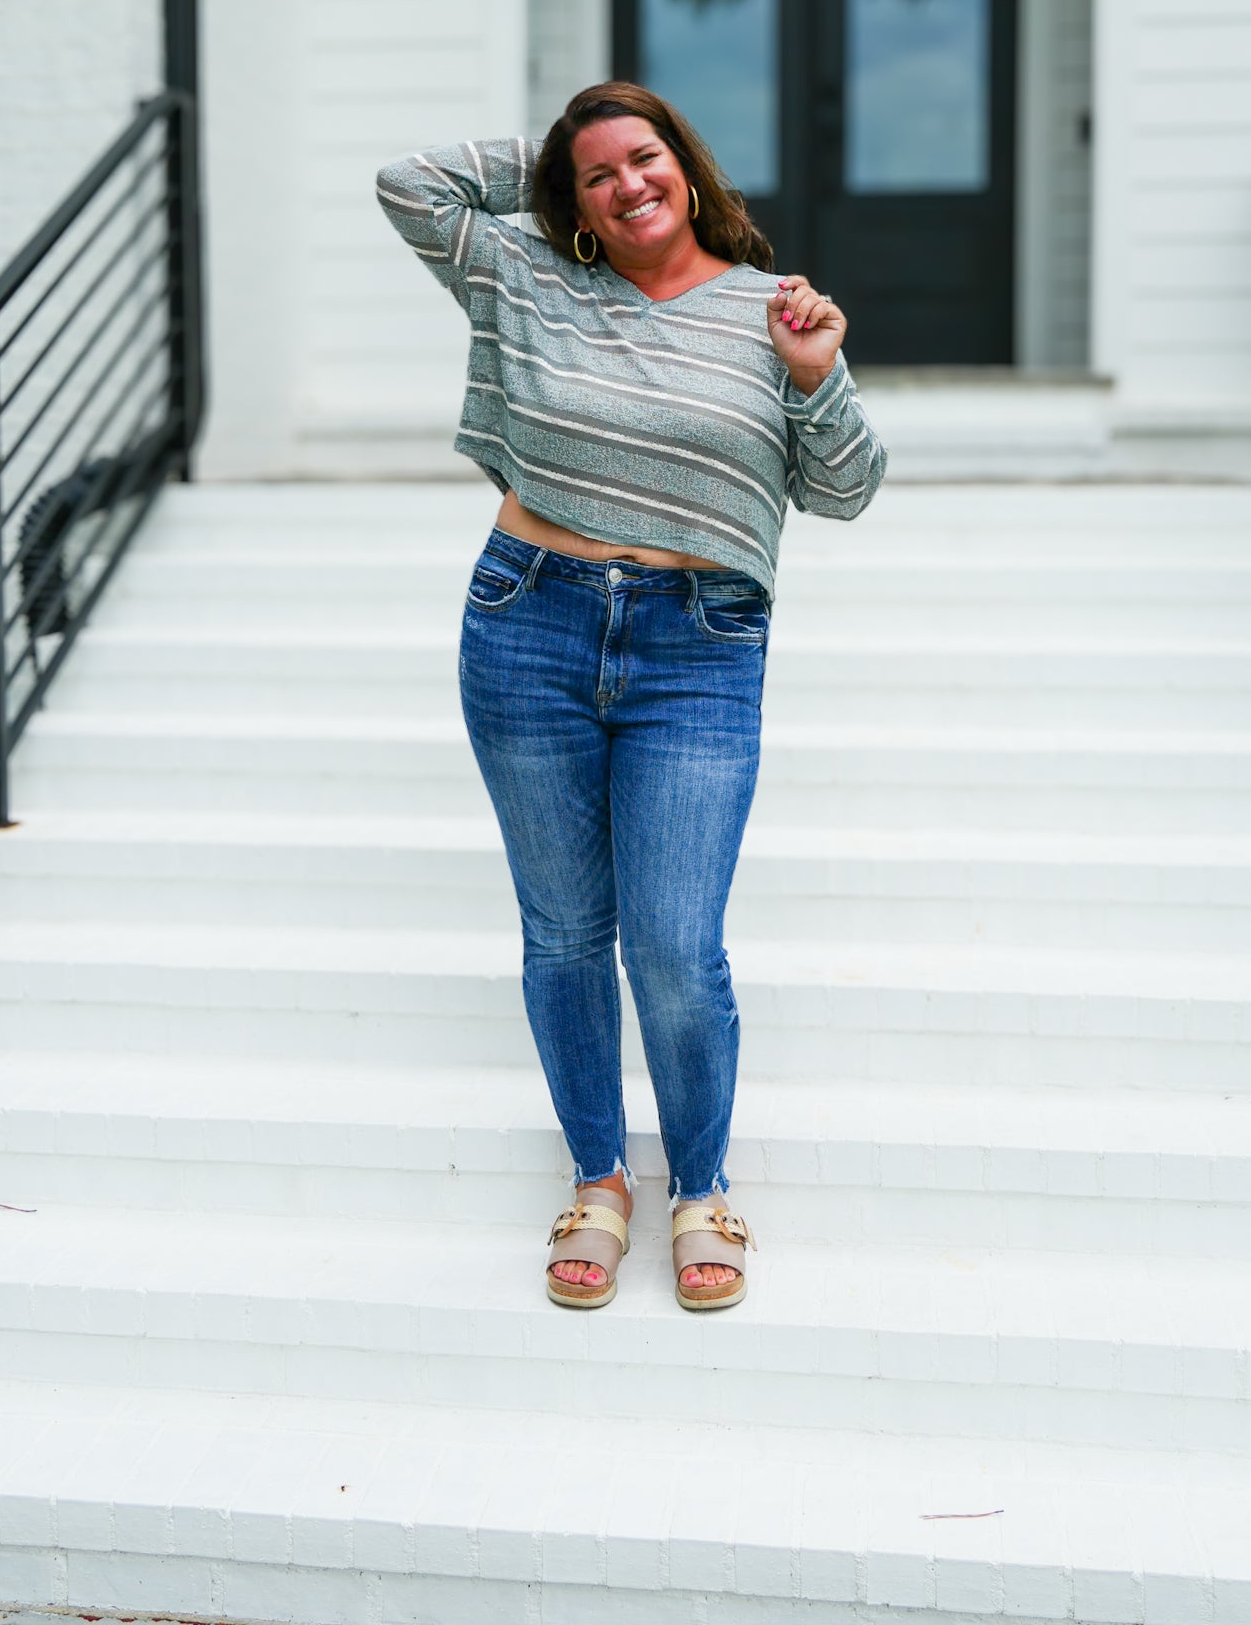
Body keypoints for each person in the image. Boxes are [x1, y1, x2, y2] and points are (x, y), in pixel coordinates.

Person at [376, 82, 885, 1312]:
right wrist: (551, 163)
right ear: (571, 200)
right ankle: (598, 1177)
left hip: (697, 647)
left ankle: (699, 1187)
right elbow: (411, 183)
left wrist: (815, 375)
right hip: (528, 619)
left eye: (644, 157)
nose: (626, 184)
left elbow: (850, 486)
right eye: (594, 174)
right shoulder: (530, 275)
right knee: (561, 929)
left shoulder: (774, 312)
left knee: (671, 940)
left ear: (690, 168)